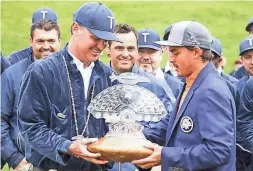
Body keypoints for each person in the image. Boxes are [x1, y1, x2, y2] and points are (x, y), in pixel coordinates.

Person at [17, 2, 121, 171]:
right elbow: (31, 127)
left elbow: (114, 127)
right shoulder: (42, 71)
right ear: (75, 28)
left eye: (105, 41)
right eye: (95, 38)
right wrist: (67, 147)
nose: (101, 46)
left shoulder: (109, 77)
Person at [133, 20, 236, 171]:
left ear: (196, 52)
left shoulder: (211, 90)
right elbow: (172, 123)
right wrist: (134, 138)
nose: (171, 59)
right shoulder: (192, 81)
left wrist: (165, 155)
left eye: (175, 52)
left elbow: (219, 151)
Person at [106, 23, 175, 171]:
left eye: (130, 48)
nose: (125, 54)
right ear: (108, 49)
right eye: (119, 48)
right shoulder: (95, 81)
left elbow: (170, 128)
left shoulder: (156, 87)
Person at [1, 19, 61, 171]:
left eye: (51, 41)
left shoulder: (70, 75)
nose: (46, 46)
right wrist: (16, 160)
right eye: (40, 41)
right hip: (26, 162)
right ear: (31, 42)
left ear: (60, 41)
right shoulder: (12, 75)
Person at [136, 28, 183, 97]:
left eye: (151, 52)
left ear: (161, 53)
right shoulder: (124, 83)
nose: (146, 57)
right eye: (140, 51)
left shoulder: (176, 87)